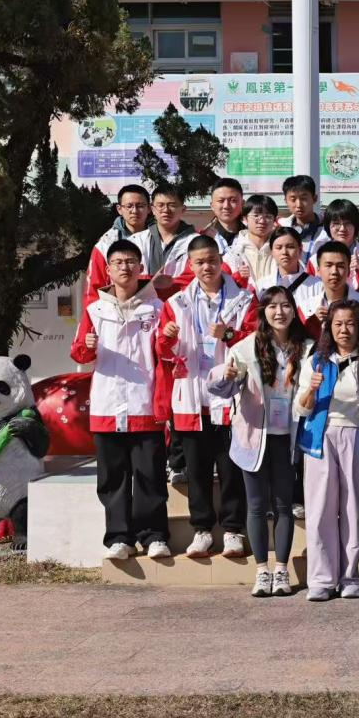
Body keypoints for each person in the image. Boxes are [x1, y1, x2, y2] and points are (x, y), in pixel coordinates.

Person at [156, 235, 257, 558]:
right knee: (197, 471)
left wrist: (229, 334)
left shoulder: (243, 299)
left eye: (212, 260)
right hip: (193, 396)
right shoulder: (177, 303)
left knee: (231, 469)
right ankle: (201, 530)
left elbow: (256, 340)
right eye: (199, 262)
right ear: (191, 265)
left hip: (230, 396)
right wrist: (166, 338)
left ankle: (233, 530)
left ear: (220, 261)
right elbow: (163, 351)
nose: (207, 267)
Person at [70, 239, 170, 561]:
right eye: (118, 262)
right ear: (108, 270)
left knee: (150, 475)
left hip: (145, 405)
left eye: (130, 262)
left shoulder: (157, 309)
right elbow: (79, 354)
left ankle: (154, 535)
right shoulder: (94, 310)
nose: (125, 267)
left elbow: (167, 352)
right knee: (113, 478)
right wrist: (86, 345)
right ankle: (119, 538)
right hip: (107, 406)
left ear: (141, 268)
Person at [206, 285, 307, 597]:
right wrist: (225, 375)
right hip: (254, 438)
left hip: (287, 438)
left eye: (286, 305)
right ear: (263, 312)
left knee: (284, 506)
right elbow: (221, 388)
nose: (280, 312)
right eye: (273, 306)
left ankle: (281, 570)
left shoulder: (305, 348)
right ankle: (262, 570)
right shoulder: (246, 348)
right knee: (257, 505)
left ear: (294, 311)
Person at [293, 299, 359, 601]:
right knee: (320, 508)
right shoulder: (316, 361)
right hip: (320, 437)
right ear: (329, 328)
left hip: (356, 435)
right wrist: (312, 389)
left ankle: (349, 576)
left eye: (350, 323)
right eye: (338, 324)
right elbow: (300, 409)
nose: (344, 330)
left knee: (353, 508)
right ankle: (321, 579)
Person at [84, 184, 150, 305]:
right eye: (129, 206)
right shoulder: (106, 244)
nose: (134, 211)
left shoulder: (161, 239)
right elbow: (94, 288)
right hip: (115, 310)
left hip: (153, 309)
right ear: (119, 209)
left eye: (140, 206)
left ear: (149, 208)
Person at [293, 240, 359, 340]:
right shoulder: (306, 308)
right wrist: (313, 324)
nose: (334, 271)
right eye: (328, 265)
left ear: (349, 270)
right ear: (318, 270)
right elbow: (300, 342)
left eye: (340, 266)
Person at [130, 184, 197, 295]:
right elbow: (126, 277)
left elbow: (197, 278)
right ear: (152, 209)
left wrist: (167, 285)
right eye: (160, 205)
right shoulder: (135, 241)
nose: (166, 210)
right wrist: (152, 284)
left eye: (172, 205)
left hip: (181, 303)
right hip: (142, 303)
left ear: (183, 209)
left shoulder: (196, 242)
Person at [311, 199, 359, 292]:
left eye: (347, 223)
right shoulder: (314, 261)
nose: (342, 228)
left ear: (355, 225)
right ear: (328, 226)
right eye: (336, 223)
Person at [223, 194, 280, 291]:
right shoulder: (231, 254)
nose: (262, 221)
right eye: (256, 216)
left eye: (268, 216)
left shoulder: (281, 249)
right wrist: (237, 277)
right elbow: (221, 286)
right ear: (244, 219)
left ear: (274, 220)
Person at [252, 227, 317, 297]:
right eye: (279, 248)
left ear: (300, 249)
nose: (284, 252)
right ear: (271, 252)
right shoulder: (262, 286)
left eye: (290, 247)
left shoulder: (317, 285)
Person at [279, 175, 324, 266]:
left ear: (314, 199)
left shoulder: (327, 229)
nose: (298, 205)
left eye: (304, 199)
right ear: (286, 201)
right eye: (293, 199)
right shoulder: (280, 228)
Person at [202, 178, 245, 254]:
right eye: (221, 201)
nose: (226, 206)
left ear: (242, 204)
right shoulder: (202, 237)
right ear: (212, 206)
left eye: (233, 200)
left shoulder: (253, 236)